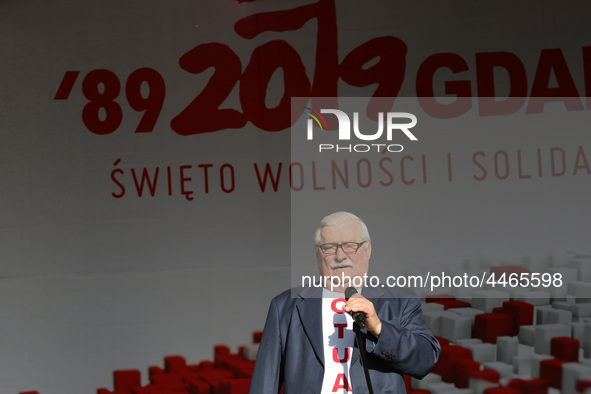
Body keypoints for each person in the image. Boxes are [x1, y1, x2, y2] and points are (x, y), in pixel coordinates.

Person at [249, 211, 440, 393]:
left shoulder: (399, 301)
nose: (340, 256)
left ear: (368, 250)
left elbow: (425, 359)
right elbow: (265, 384)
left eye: (350, 245)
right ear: (317, 254)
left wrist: (380, 329)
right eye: (329, 247)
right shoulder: (285, 307)